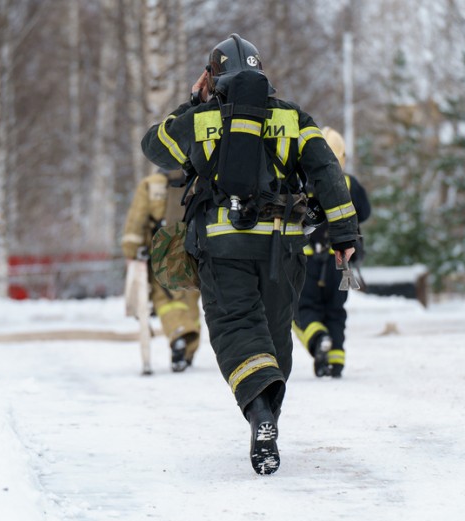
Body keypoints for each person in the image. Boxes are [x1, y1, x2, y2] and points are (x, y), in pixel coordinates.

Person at [140, 34, 358, 475]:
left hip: (223, 249)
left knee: (238, 329)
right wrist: (344, 233)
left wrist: (190, 100)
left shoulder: (201, 120)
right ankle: (268, 421)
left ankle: (260, 416)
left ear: (214, 77)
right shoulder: (293, 118)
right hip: (284, 249)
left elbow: (154, 146)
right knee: (275, 338)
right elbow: (328, 173)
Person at [292, 126, 371, 379]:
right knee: (336, 311)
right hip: (341, 262)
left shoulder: (301, 184)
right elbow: (365, 213)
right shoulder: (350, 183)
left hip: (307, 260)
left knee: (304, 308)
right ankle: (335, 360)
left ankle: (319, 339)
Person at [121, 168, 202, 372]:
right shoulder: (197, 179)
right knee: (190, 298)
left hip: (163, 250)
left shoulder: (151, 184)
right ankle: (190, 349)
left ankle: (179, 335)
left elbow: (136, 220)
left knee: (165, 299)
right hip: (193, 249)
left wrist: (131, 251)